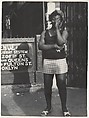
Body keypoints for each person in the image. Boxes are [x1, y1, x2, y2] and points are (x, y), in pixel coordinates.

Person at [38, 10, 71, 116]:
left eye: (58, 19)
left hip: (60, 61)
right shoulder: (45, 32)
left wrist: (57, 29)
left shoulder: (64, 31)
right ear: (51, 20)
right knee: (47, 86)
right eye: (54, 19)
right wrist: (53, 46)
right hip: (48, 61)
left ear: (61, 21)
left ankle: (64, 108)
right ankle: (48, 107)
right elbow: (41, 46)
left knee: (61, 85)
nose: (55, 21)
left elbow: (61, 42)